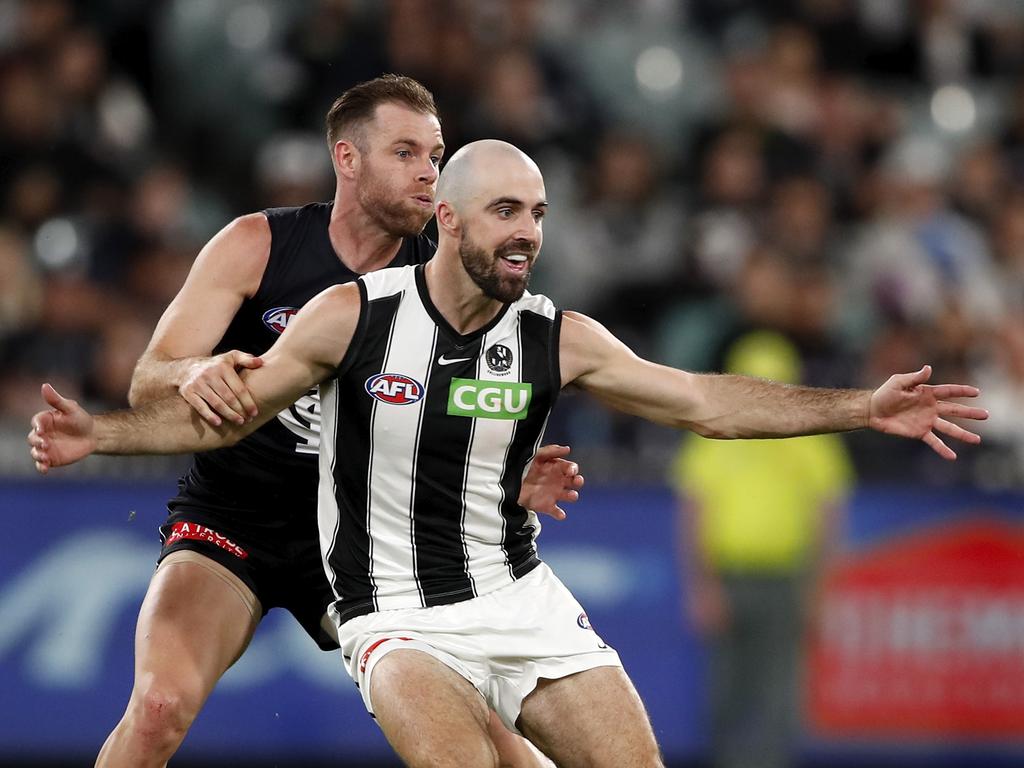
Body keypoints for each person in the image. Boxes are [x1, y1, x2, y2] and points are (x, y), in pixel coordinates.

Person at [29, 139, 988, 767]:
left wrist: (862, 406)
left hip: (519, 600)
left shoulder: (556, 335)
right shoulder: (349, 318)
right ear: (447, 219)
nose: (526, 232)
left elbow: (704, 403)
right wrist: (102, 435)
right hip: (393, 613)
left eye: (535, 213)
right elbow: (232, 417)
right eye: (504, 213)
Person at [85, 76, 578, 767]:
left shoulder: (441, 281)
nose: (429, 174)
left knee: (496, 737)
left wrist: (507, 478)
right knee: (159, 707)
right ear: (347, 159)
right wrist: (192, 373)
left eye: (435, 156)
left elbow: (462, 408)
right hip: (234, 518)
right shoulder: (259, 244)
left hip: (367, 541)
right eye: (405, 153)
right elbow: (147, 377)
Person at [671, 330, 854, 768]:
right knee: (730, 692)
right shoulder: (718, 433)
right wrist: (703, 585)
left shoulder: (804, 435)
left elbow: (828, 515)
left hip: (783, 578)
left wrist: (818, 588)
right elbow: (694, 513)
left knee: (776, 695)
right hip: (736, 576)